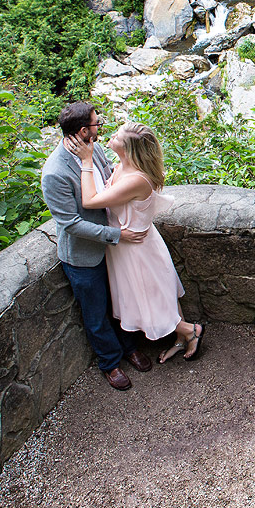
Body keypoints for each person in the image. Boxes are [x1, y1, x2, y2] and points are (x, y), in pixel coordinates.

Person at [64, 122, 205, 364]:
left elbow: (90, 201)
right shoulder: (122, 166)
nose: (111, 134)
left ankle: (191, 331)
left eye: (117, 135)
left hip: (137, 250)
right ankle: (181, 340)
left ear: (128, 149)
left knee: (151, 300)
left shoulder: (136, 180)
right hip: (126, 246)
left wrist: (86, 161)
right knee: (159, 295)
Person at [40, 102, 155, 391]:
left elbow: (110, 181)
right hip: (83, 255)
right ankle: (110, 362)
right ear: (83, 131)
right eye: (96, 124)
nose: (100, 127)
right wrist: (117, 235)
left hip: (112, 248)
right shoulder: (54, 172)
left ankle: (130, 346)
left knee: (120, 298)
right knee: (95, 312)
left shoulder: (96, 149)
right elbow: (71, 224)